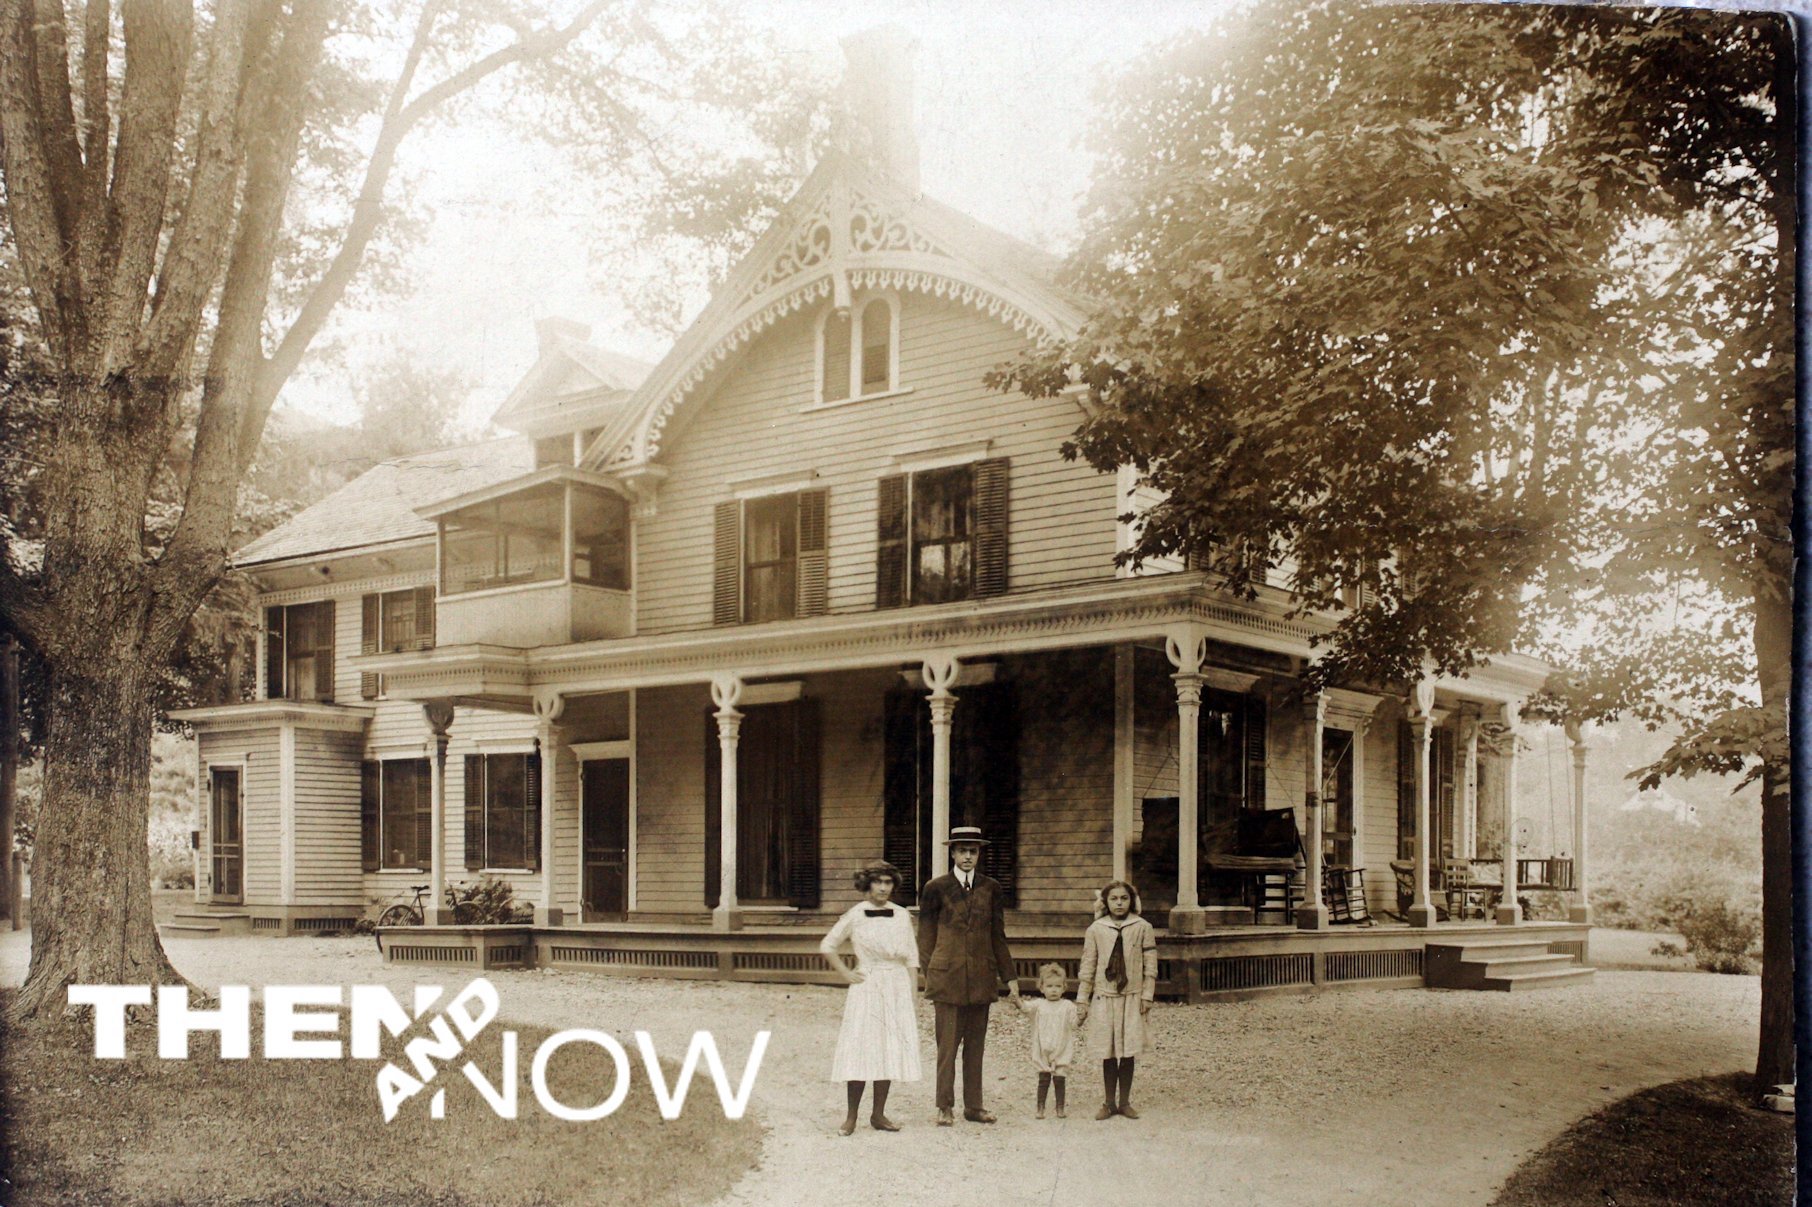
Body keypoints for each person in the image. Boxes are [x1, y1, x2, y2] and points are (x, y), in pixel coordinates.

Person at [917, 825, 1019, 1126]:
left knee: (976, 1047)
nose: (968, 856)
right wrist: (933, 972)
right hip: (946, 978)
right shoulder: (935, 887)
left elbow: (997, 935)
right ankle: (944, 1106)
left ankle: (974, 1106)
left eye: (973, 851)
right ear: (952, 852)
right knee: (947, 1047)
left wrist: (1009, 977)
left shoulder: (991, 888)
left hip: (981, 978)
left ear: (979, 854)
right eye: (962, 850)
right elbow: (925, 937)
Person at [819, 859, 921, 1135]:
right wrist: (846, 973)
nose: (883, 888)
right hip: (867, 984)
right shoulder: (855, 914)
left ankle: (878, 1114)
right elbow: (828, 945)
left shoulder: (901, 915)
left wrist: (912, 994)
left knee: (888, 1047)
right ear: (867, 884)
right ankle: (851, 1116)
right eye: (878, 882)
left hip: (896, 985)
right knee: (861, 1047)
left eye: (888, 882)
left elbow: (912, 956)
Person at [1076, 878, 1157, 1120]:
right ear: (1105, 902)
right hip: (1105, 997)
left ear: (1132, 901)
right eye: (1114, 899)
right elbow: (1088, 965)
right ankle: (1109, 1102)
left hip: (1132, 996)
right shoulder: (1096, 930)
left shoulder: (1143, 927)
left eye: (1124, 898)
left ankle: (1125, 1102)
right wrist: (1083, 999)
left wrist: (1147, 994)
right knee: (1108, 1050)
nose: (1119, 903)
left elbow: (1150, 965)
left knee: (1128, 1049)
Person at [1017, 962, 1078, 1119]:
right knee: (1043, 1078)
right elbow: (1025, 1008)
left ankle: (1060, 1107)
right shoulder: (1039, 1005)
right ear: (1042, 987)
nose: (1053, 990)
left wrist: (1082, 1016)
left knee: (1060, 1078)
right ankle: (1040, 1107)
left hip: (1061, 1047)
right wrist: (1016, 1000)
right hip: (1043, 1046)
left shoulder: (1067, 1005)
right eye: (1049, 986)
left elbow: (1074, 1022)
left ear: (1064, 988)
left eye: (1058, 986)